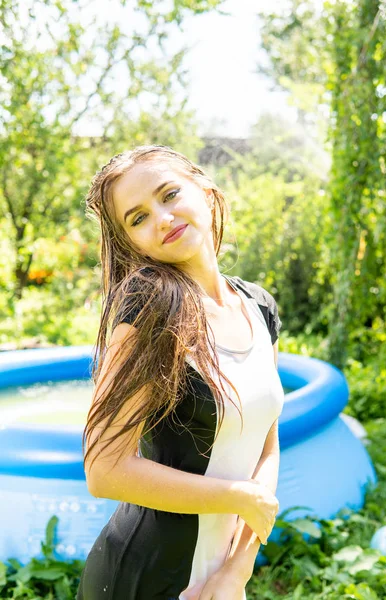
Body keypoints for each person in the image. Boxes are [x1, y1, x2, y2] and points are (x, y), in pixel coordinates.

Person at [76, 145, 284, 600]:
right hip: (145, 579)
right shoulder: (150, 310)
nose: (163, 218)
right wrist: (236, 497)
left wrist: (237, 570)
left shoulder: (258, 306)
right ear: (131, 241)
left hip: (222, 579)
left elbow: (266, 444)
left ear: (205, 191)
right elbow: (104, 469)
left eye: (169, 194)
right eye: (138, 217)